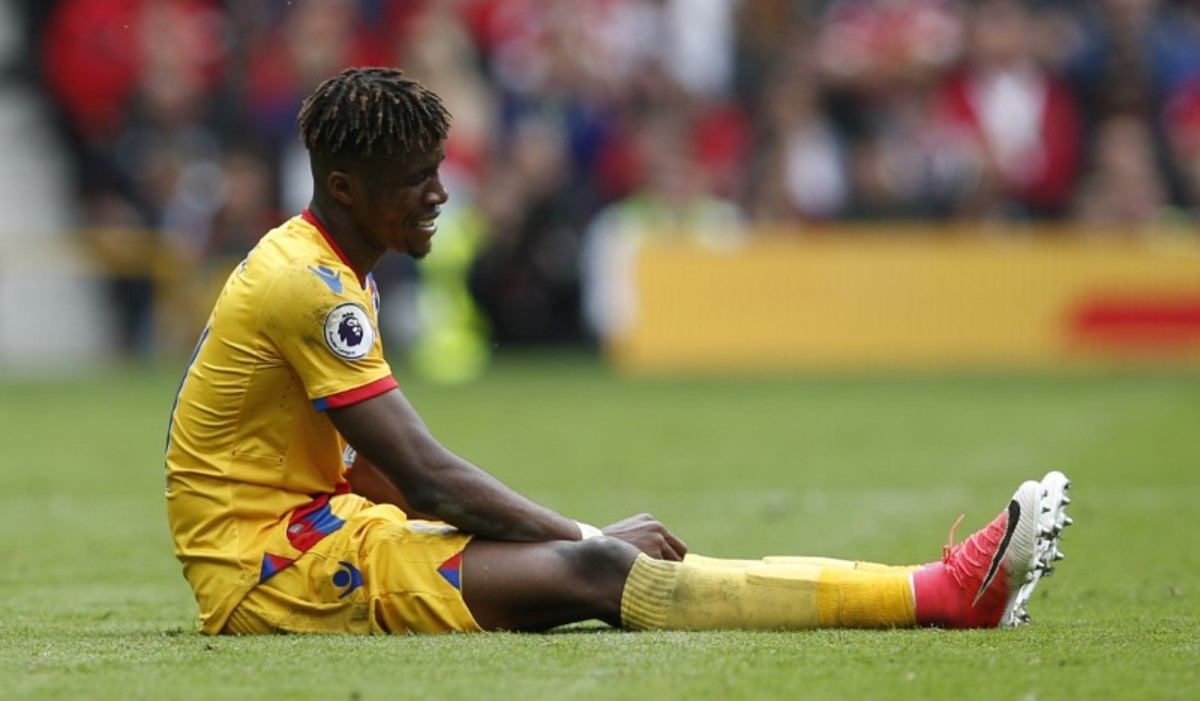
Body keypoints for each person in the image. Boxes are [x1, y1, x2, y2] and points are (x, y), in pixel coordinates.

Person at [164, 67, 1073, 635]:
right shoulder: (311, 285)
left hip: (315, 531)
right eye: (415, 180)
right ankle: (941, 593)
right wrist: (583, 535)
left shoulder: (327, 267)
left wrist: (510, 540)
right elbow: (425, 476)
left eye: (439, 170)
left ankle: (944, 592)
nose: (440, 194)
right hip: (267, 571)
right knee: (602, 569)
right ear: (344, 187)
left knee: (594, 564)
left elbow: (372, 476)